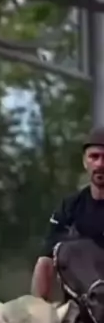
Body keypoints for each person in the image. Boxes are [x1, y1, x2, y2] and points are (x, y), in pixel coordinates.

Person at [31, 127, 104, 301]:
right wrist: (37, 309)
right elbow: (46, 261)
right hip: (81, 305)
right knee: (66, 249)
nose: (100, 164)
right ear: (85, 162)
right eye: (94, 157)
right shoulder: (69, 207)